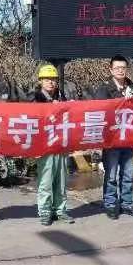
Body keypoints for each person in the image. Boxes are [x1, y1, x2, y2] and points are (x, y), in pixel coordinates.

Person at [94, 56, 133, 220]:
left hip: (129, 137)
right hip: (112, 138)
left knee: (128, 174)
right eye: (117, 68)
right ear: (111, 70)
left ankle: (126, 204)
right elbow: (100, 107)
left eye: (123, 68)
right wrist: (121, 99)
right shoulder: (104, 88)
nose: (120, 71)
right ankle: (110, 205)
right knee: (111, 174)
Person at [30, 64, 75, 225]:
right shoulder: (35, 99)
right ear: (40, 81)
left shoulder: (62, 97)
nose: (51, 82)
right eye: (47, 79)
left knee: (61, 180)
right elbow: (33, 119)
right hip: (45, 146)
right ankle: (45, 211)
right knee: (46, 180)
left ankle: (60, 210)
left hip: (60, 145)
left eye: (53, 79)